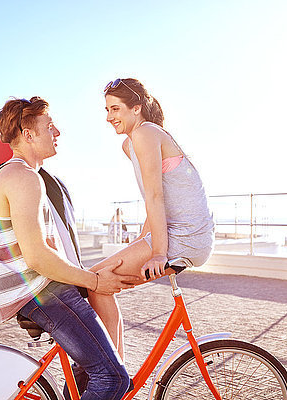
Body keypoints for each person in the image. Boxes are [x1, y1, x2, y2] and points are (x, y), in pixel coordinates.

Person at [0, 97, 134, 400]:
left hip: (41, 290)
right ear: (28, 134)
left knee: (90, 372)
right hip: (43, 292)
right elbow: (37, 256)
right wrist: (95, 281)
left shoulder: (17, 175)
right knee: (112, 379)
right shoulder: (22, 177)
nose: (57, 131)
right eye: (49, 126)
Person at [85, 78, 215, 361]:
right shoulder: (130, 144)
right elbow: (154, 198)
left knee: (92, 280)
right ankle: (114, 371)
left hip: (185, 237)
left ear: (136, 108)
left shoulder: (146, 133)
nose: (109, 117)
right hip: (178, 233)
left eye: (116, 109)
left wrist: (157, 253)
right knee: (98, 281)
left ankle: (112, 378)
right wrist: (139, 243)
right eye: (107, 110)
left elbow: (156, 197)